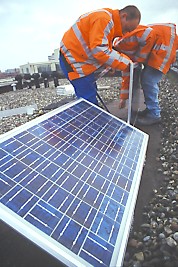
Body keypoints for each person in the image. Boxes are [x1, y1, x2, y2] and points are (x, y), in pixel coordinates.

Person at [59, 6, 141, 105]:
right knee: (88, 101)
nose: (126, 33)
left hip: (79, 59)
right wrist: (126, 63)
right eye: (127, 29)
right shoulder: (104, 19)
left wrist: (108, 64)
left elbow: (102, 46)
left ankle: (91, 115)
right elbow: (99, 49)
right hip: (74, 61)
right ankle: (89, 116)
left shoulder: (108, 21)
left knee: (90, 94)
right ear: (124, 16)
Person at [113, 23, 178, 125]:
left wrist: (140, 59)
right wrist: (123, 97)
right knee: (146, 78)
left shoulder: (124, 42)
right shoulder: (122, 50)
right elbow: (127, 73)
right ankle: (150, 109)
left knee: (148, 80)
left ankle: (154, 114)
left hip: (164, 43)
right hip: (158, 45)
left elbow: (149, 33)